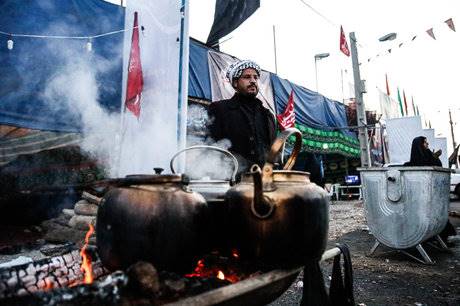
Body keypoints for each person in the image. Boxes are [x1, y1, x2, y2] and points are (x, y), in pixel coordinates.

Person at [208, 60, 276, 174]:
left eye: (255, 77)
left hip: (264, 181)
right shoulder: (220, 109)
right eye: (247, 77)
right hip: (233, 180)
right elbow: (212, 148)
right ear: (235, 83)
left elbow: (272, 150)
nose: (253, 81)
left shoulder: (267, 115)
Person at [404, 136, 456, 242]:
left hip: (433, 196)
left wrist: (433, 156)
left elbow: (438, 167)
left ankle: (439, 239)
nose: (427, 145)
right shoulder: (411, 164)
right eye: (425, 143)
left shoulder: (428, 157)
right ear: (419, 145)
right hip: (419, 199)